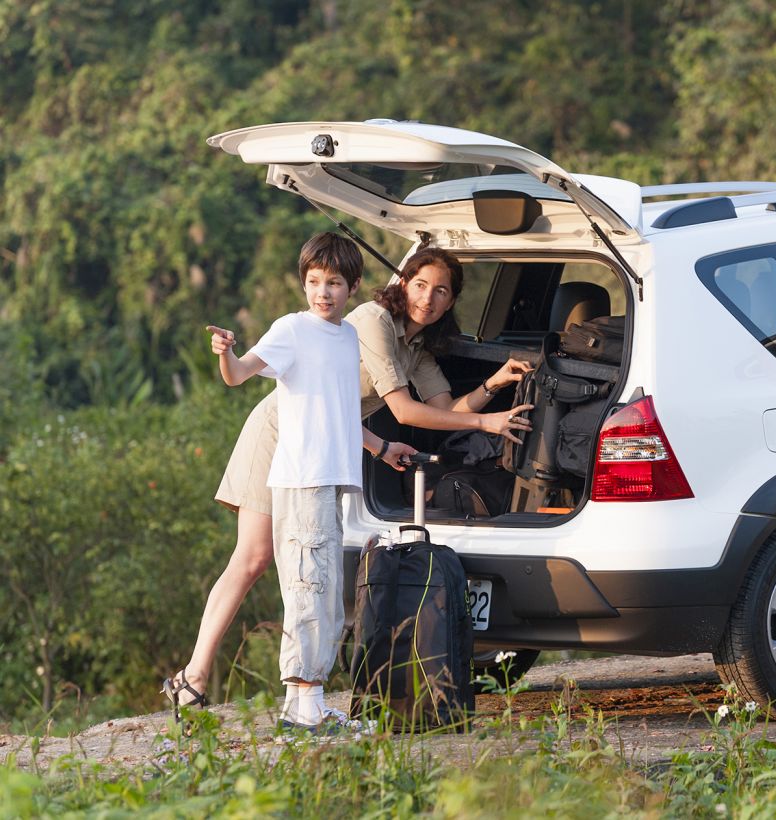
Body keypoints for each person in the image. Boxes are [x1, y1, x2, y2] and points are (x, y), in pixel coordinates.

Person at [163, 245, 533, 718]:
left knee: (277, 562)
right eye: (420, 284)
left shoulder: (415, 348)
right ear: (402, 283)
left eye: (441, 291)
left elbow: (442, 413)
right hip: (282, 430)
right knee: (254, 557)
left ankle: (211, 684)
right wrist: (490, 424)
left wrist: (496, 384)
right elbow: (401, 410)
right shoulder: (372, 322)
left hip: (330, 437)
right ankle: (200, 679)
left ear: (451, 300)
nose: (428, 298)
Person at [201, 232, 371, 732]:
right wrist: (225, 353)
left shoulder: (348, 337)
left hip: (333, 480)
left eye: (335, 283)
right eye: (314, 281)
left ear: (353, 286)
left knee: (325, 590)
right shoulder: (292, 329)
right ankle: (302, 710)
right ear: (303, 284)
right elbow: (238, 375)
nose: (323, 292)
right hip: (301, 479)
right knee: (307, 587)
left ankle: (310, 702)